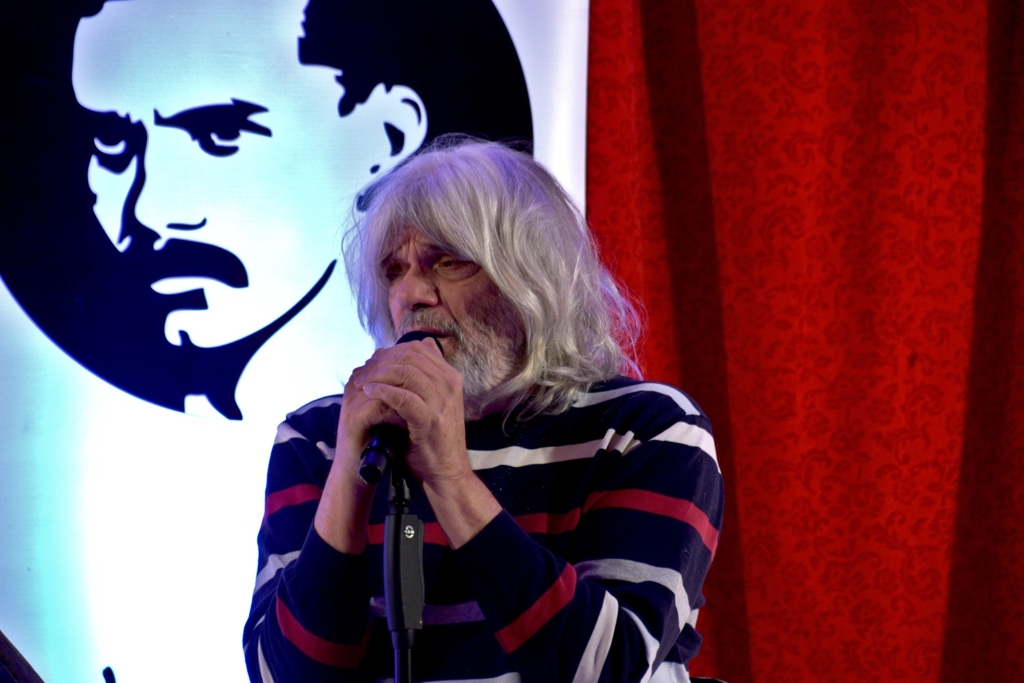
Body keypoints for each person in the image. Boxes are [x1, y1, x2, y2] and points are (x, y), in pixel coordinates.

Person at [244, 139, 724, 682]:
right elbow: (282, 675)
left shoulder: (645, 430)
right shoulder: (318, 439)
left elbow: (604, 668)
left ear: (531, 276)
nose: (411, 295)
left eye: (448, 262)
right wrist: (350, 479)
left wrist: (449, 476)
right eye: (393, 270)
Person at [1, 0, 531, 420]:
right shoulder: (311, 440)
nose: (150, 212)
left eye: (218, 135)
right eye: (114, 141)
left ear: (384, 134)